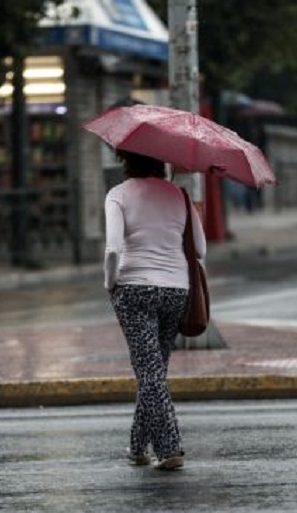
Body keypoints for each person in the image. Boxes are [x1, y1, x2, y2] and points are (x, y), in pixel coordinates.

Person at [104, 150, 206, 471]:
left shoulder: (118, 195)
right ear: (160, 162)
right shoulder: (179, 195)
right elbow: (200, 249)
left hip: (134, 288)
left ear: (126, 162)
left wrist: (111, 283)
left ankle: (170, 447)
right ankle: (137, 446)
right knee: (155, 370)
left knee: (149, 372)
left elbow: (112, 249)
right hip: (176, 289)